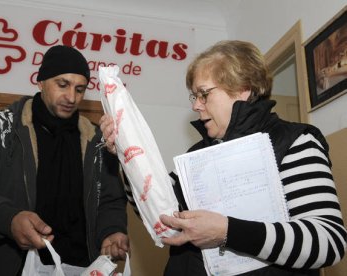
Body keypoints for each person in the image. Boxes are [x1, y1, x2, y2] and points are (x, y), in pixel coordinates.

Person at [100, 40, 347, 275]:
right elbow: (163, 217)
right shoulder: (197, 154)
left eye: (204, 94)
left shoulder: (295, 141)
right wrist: (125, 155)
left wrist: (227, 232)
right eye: (194, 96)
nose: (196, 106)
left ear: (243, 89)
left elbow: (328, 241)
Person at [0, 45, 129, 276]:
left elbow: (111, 199)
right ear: (40, 82)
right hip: (8, 265)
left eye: (80, 89)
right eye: (62, 84)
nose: (71, 97)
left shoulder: (97, 141)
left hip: (81, 268)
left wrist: (111, 230)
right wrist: (8, 218)